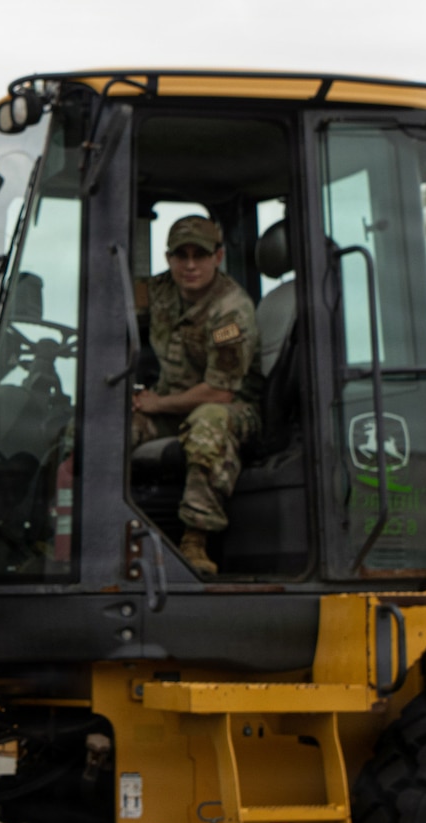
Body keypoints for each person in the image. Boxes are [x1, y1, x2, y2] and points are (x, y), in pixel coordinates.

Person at [132, 215, 263, 579]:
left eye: (200, 256)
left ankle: (195, 541)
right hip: (173, 404)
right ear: (169, 258)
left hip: (233, 410)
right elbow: (114, 313)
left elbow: (221, 391)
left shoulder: (231, 312)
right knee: (101, 424)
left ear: (217, 257)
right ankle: (73, 529)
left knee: (208, 421)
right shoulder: (158, 290)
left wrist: (156, 403)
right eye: (181, 255)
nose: (190, 265)